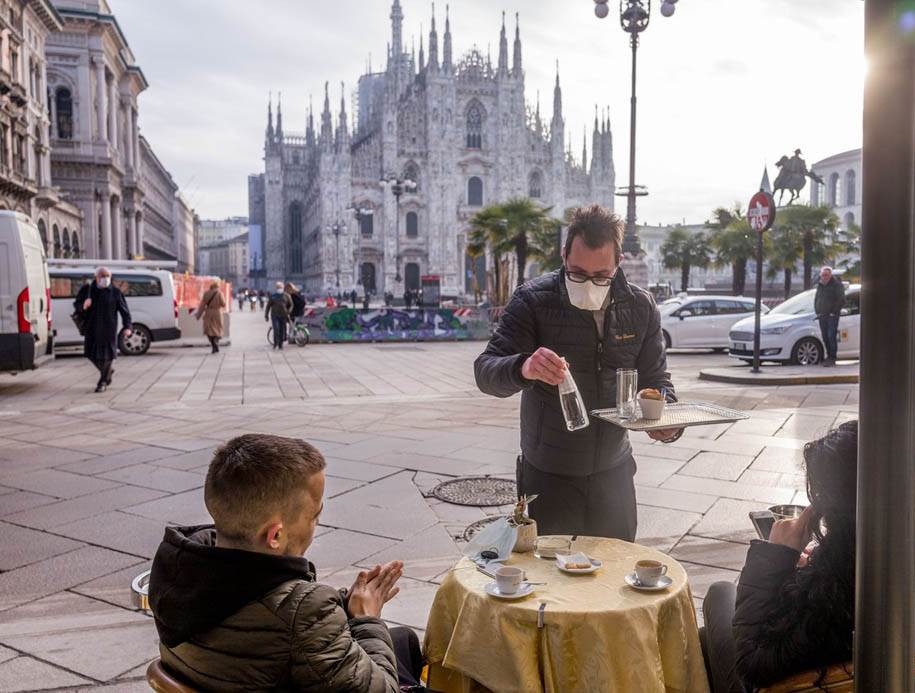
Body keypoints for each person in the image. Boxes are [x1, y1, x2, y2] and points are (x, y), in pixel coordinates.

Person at [699, 420, 915, 693]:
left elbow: (752, 663)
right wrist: (827, 563)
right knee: (705, 634)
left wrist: (775, 556)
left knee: (719, 594)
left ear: (844, 511)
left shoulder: (847, 597)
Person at [148, 433, 422, 691]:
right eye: (315, 515)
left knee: (404, 640)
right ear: (276, 535)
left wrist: (341, 605)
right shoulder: (303, 612)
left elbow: (271, 616)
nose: (317, 524)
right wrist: (366, 617)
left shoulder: (181, 569)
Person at [473, 205, 682, 541]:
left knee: (616, 576)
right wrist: (524, 367)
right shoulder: (533, 301)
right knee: (554, 584)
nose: (588, 284)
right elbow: (485, 371)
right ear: (563, 255)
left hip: (613, 471)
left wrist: (667, 423)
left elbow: (657, 382)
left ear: (618, 264)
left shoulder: (640, 306)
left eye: (601, 276)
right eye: (577, 273)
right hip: (549, 473)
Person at [74, 267, 132, 393]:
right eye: (102, 276)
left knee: (108, 355)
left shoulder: (115, 292)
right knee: (90, 353)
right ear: (96, 277)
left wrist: (127, 326)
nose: (105, 279)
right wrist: (84, 305)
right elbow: (77, 306)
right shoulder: (87, 291)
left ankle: (103, 382)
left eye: (107, 276)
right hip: (91, 328)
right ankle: (107, 371)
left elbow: (124, 311)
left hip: (108, 329)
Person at [814, 266, 845, 366]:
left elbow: (841, 300)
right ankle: (828, 356)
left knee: (831, 336)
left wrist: (833, 312)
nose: (824, 277)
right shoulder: (820, 285)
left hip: (832, 316)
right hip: (822, 315)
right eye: (823, 275)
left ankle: (832, 357)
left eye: (826, 275)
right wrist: (817, 311)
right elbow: (816, 299)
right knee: (825, 337)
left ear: (830, 275)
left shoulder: (837, 285)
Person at [196, 282, 226, 354]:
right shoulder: (220, 293)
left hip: (209, 313)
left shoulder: (206, 293)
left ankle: (213, 346)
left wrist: (198, 315)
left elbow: (202, 305)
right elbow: (223, 304)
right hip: (217, 313)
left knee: (209, 329)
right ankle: (216, 340)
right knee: (218, 329)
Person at [265, 282, 293, 350]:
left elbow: (291, 304)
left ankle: (280, 344)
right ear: (276, 288)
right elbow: (268, 306)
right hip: (275, 315)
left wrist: (289, 311)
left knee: (282, 330)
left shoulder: (287, 296)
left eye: (280, 287)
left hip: (283, 315)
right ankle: (275, 343)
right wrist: (266, 315)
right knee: (276, 329)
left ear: (283, 288)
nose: (279, 289)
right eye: (278, 287)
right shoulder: (273, 296)